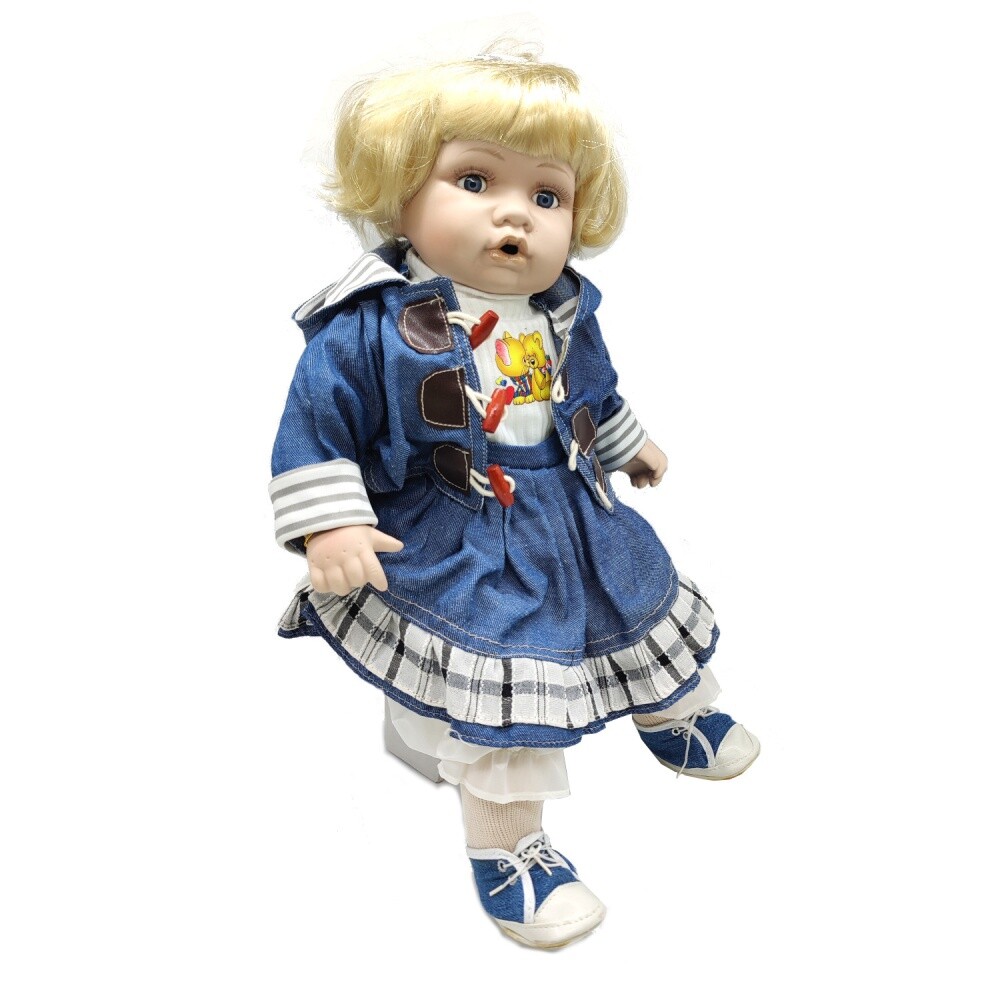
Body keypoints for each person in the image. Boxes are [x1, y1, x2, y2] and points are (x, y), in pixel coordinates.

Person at [270, 50, 760, 949]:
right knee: (506, 677)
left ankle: (674, 712)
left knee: (636, 602)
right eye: (474, 180)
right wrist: (330, 521)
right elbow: (318, 423)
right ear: (399, 193)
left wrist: (625, 442)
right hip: (459, 527)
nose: (516, 214)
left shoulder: (561, 307)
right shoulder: (370, 324)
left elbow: (591, 389)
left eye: (546, 195)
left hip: (571, 507)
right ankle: (509, 847)